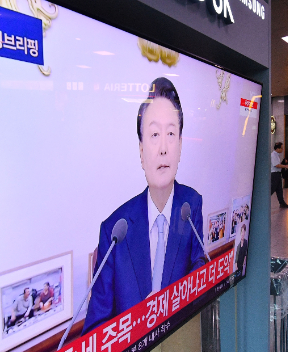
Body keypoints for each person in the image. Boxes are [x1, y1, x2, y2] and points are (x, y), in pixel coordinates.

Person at [83, 77, 206, 333]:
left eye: (171, 134)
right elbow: (95, 329)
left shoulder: (191, 205)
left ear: (181, 146)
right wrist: (138, 327)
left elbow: (199, 270)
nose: (163, 148)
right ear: (141, 151)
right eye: (154, 135)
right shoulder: (114, 229)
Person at [271, 142, 288, 208]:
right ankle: (264, 200)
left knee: (279, 189)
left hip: (278, 174)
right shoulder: (273, 155)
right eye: (281, 148)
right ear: (278, 148)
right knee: (272, 189)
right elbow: (276, 165)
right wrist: (285, 166)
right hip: (274, 174)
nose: (282, 150)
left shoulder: (277, 155)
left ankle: (282, 203)